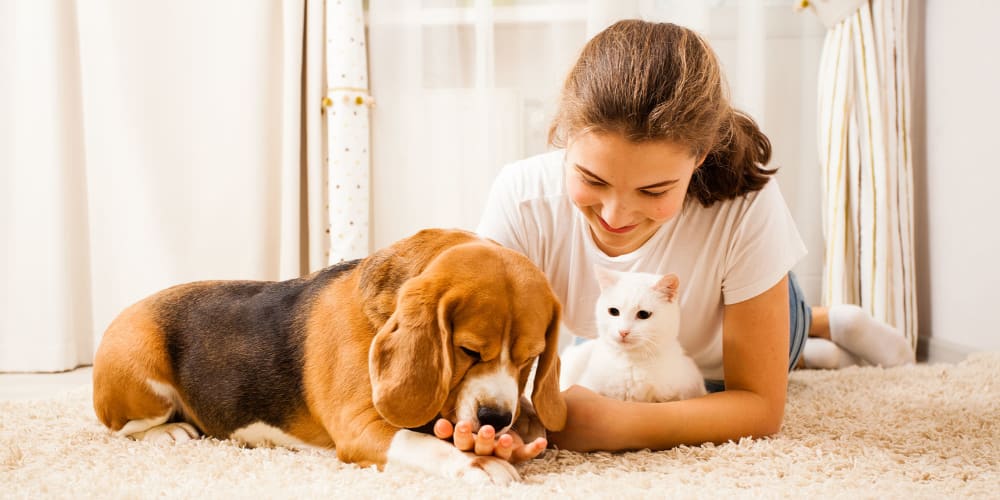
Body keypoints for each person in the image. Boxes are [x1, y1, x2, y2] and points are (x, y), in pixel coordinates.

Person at [432, 19, 914, 460]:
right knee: (601, 333)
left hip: (735, 331)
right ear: (562, 135)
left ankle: (823, 324)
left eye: (653, 190)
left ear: (700, 155)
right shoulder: (521, 198)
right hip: (627, 335)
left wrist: (620, 425)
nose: (615, 216)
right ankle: (819, 353)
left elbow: (760, 408)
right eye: (593, 180)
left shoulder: (748, 204)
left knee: (781, 340)